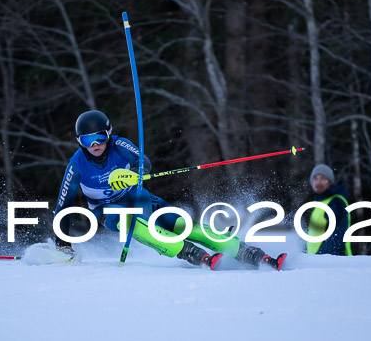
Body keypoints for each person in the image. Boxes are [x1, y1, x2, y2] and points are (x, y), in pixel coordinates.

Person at [53, 110, 287, 270]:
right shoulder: (76, 166)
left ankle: (246, 252)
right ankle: (191, 253)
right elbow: (63, 206)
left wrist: (135, 172)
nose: (94, 145)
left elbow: (143, 160)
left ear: (108, 133)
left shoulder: (119, 144)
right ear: (79, 142)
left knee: (177, 223)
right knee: (129, 222)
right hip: (106, 211)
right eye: (87, 141)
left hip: (137, 197)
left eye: (98, 138)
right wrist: (62, 244)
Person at [307, 164, 352, 255]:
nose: (318, 182)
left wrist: (319, 260)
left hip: (332, 264)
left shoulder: (336, 202)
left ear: (330, 182)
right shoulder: (321, 204)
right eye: (315, 178)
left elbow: (336, 238)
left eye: (323, 178)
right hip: (318, 263)